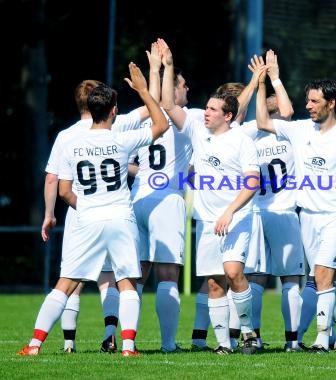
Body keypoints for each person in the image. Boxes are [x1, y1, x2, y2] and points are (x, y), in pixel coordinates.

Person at [18, 61, 168, 357]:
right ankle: (127, 346)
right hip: (120, 217)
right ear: (113, 111)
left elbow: (63, 190)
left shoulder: (71, 143)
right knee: (127, 281)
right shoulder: (122, 140)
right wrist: (142, 90)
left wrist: (86, 205)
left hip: (87, 218)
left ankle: (34, 344)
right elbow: (161, 123)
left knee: (66, 282)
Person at [256, 73, 336, 353]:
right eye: (308, 100)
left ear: (331, 103)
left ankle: (321, 340)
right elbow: (263, 121)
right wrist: (264, 83)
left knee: (323, 275)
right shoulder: (300, 129)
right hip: (307, 217)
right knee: (321, 279)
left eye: (315, 101)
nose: (309, 105)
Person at [161, 40, 260, 355]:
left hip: (236, 218)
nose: (206, 113)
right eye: (206, 108)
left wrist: (230, 211)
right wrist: (167, 65)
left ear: (228, 116)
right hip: (206, 221)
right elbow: (167, 102)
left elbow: (252, 182)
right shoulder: (196, 130)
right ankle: (222, 345)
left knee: (233, 273)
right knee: (215, 283)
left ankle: (248, 333)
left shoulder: (242, 141)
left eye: (213, 110)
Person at [129, 39, 204, 354]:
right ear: (174, 89)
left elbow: (130, 162)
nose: (186, 89)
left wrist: (155, 68)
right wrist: (164, 67)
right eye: (183, 84)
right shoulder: (192, 117)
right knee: (168, 274)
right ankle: (168, 344)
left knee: (135, 275)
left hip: (137, 198)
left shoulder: (145, 117)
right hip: (167, 200)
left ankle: (125, 341)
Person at [236, 49, 304, 352]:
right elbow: (288, 112)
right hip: (284, 212)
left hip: (257, 212)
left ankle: (256, 337)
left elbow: (236, 117)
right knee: (290, 278)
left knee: (256, 278)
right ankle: (292, 342)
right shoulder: (291, 133)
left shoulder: (249, 134)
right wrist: (272, 81)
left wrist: (256, 85)